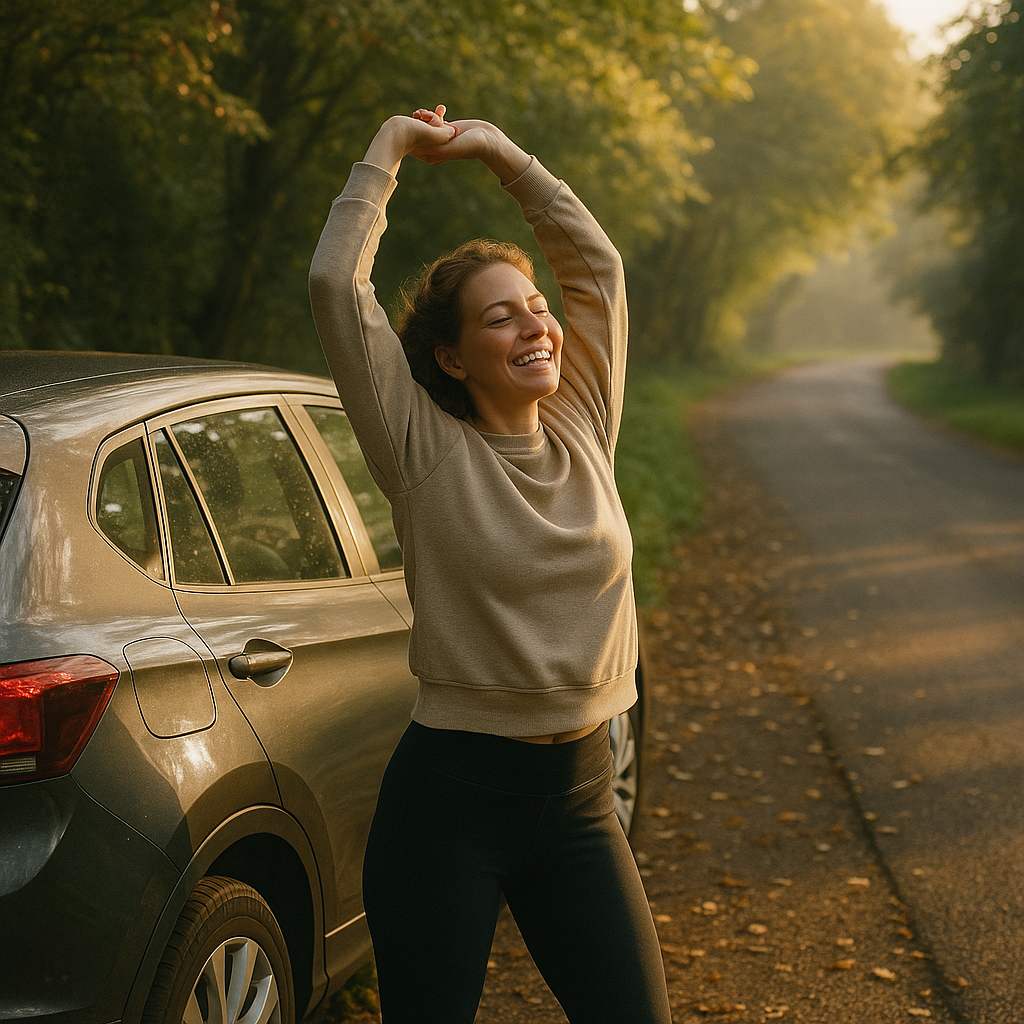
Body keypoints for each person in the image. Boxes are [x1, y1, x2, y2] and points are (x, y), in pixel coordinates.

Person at [308, 105, 671, 1024]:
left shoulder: (584, 422)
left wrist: (505, 157)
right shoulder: (421, 446)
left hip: (583, 796)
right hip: (451, 808)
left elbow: (597, 271)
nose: (537, 328)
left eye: (537, 311)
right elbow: (334, 287)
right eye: (502, 319)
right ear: (451, 356)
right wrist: (385, 151)